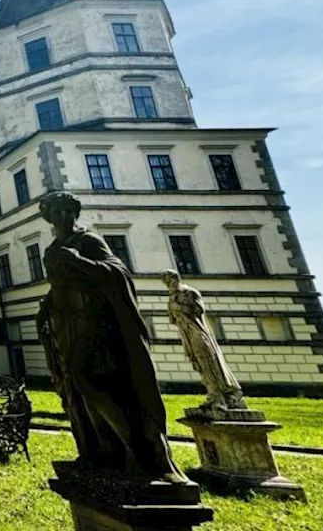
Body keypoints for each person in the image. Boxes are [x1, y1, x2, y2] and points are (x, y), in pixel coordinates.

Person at [36, 191, 186, 483]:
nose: (65, 217)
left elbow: (117, 274)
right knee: (76, 390)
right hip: (68, 329)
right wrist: (47, 307)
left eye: (69, 211)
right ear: (50, 217)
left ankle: (138, 450)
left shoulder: (87, 241)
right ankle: (101, 451)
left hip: (100, 326)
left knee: (90, 381)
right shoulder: (52, 251)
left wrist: (78, 261)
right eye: (58, 212)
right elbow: (60, 287)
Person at [162, 269, 246, 411]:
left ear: (177, 278)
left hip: (197, 331)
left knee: (208, 360)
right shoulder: (172, 297)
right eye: (167, 282)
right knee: (199, 362)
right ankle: (213, 394)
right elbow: (172, 319)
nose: (169, 284)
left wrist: (179, 307)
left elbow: (198, 310)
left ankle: (223, 394)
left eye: (171, 280)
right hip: (186, 333)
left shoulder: (190, 293)